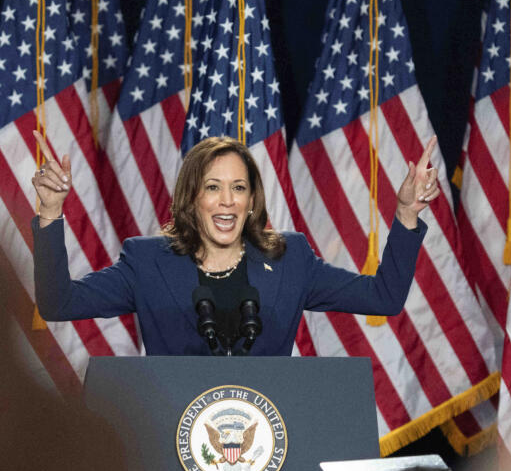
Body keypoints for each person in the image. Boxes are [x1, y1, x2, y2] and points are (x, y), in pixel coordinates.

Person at [29, 134, 441, 355]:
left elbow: (384, 298)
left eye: (238, 188)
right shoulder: (148, 262)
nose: (227, 200)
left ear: (251, 201)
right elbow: (59, 303)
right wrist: (50, 213)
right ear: (192, 197)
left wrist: (407, 214)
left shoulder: (290, 258)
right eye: (213, 187)